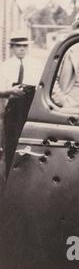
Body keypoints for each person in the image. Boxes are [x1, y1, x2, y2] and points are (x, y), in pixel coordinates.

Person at [0, 32, 43, 176]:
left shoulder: (36, 65)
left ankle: (28, 178)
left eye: (24, 46)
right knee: (12, 144)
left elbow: (42, 87)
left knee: (30, 143)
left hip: (30, 108)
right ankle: (10, 179)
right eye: (18, 46)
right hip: (11, 108)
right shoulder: (5, 66)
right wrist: (8, 91)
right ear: (12, 48)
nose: (22, 49)